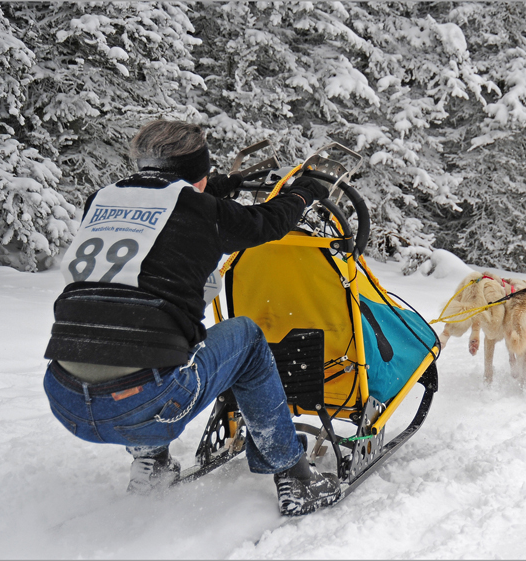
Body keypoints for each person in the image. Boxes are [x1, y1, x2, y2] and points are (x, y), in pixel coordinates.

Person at [43, 120, 341, 516]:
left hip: (65, 399)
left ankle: (151, 465)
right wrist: (305, 193)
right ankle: (297, 478)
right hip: (147, 402)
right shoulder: (202, 211)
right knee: (248, 338)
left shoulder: (101, 199)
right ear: (198, 175)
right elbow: (266, 222)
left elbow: (169, 205)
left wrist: (218, 185)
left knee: (150, 328)